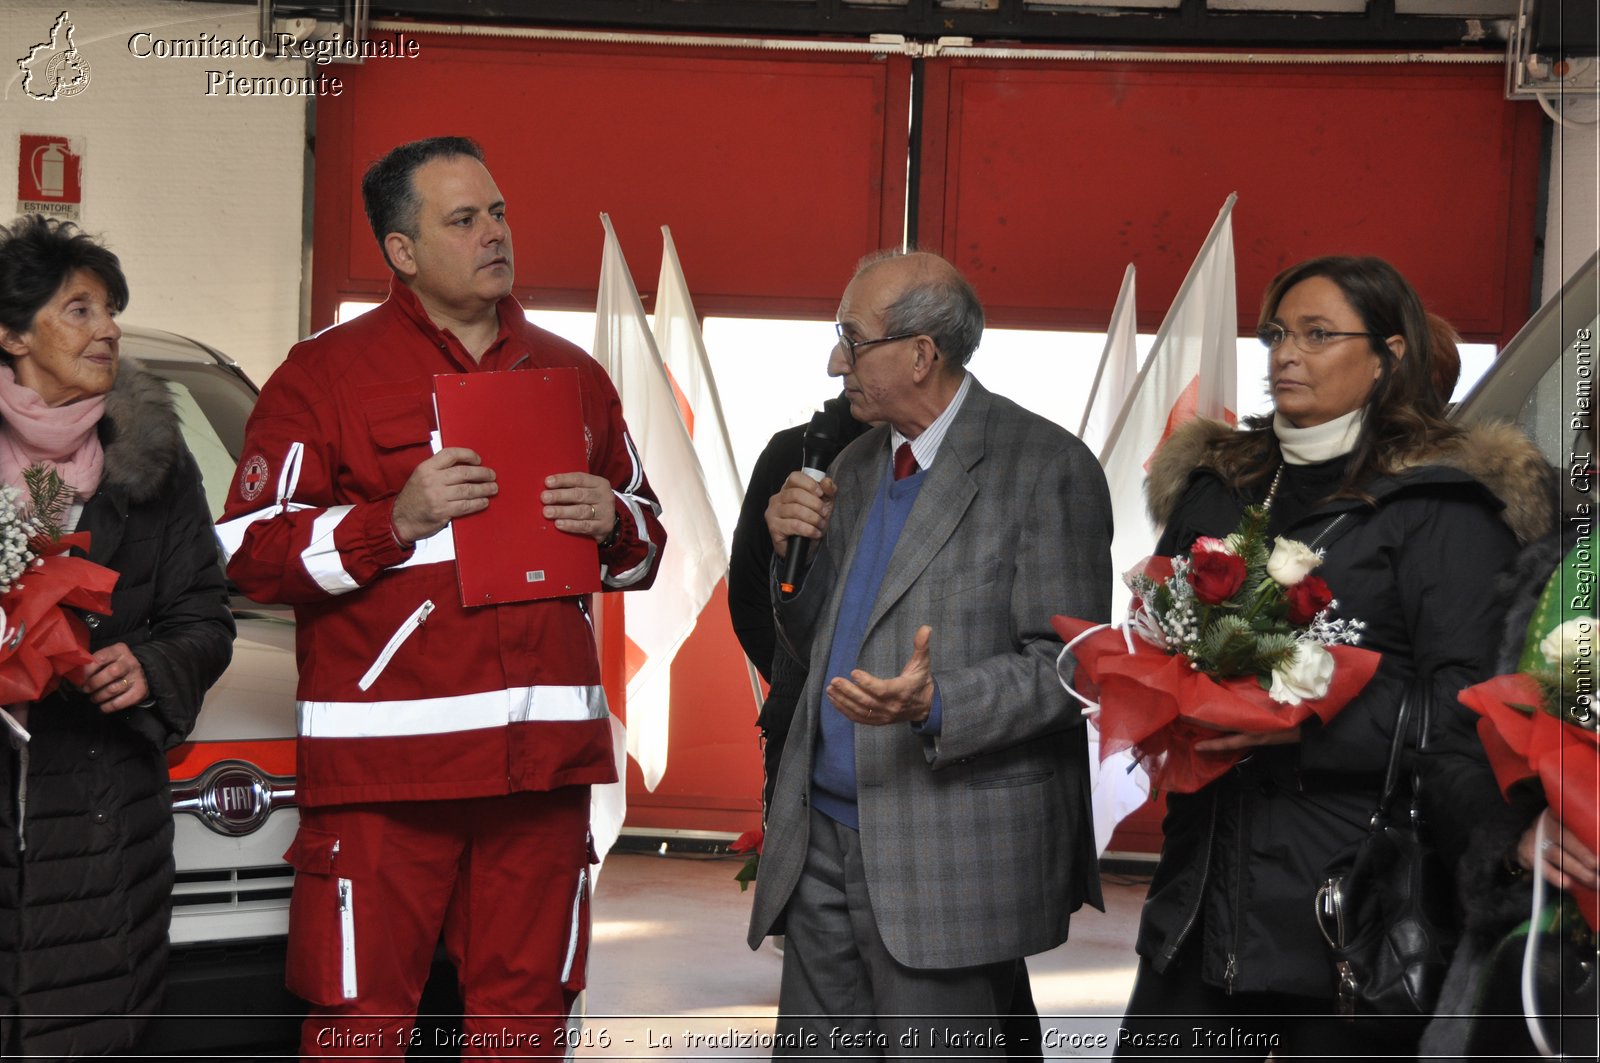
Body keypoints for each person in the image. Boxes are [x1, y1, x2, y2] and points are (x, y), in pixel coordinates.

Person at [217, 137, 665, 1058]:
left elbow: (651, 539)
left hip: (541, 771)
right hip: (389, 779)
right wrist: (394, 519)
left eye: (497, 213)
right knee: (361, 1029)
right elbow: (247, 552)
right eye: (463, 220)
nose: (495, 234)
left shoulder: (571, 372)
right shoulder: (324, 373)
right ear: (402, 251)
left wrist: (613, 520)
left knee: (525, 1024)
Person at [1119, 255, 1553, 1057]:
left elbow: (1471, 709)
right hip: (1196, 899)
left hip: (1349, 915)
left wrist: (1306, 723)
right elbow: (1162, 633)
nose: (1286, 352)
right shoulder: (1215, 489)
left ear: (1389, 355)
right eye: (1278, 332)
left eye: (1319, 335)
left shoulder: (1443, 507)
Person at [749, 249, 1111, 1055]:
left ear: (921, 353)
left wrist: (938, 701)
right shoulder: (854, 464)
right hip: (820, 847)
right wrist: (787, 558)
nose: (835, 359)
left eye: (853, 337)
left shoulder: (1046, 467)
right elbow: (811, 649)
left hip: (945, 852)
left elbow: (1073, 664)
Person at [0, 216, 235, 1057]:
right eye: (79, 308)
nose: (108, 329)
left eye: (112, 310)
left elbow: (204, 614)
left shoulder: (154, 464)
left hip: (103, 832)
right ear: (13, 332)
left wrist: (152, 663)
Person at [728, 392, 868, 816]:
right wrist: (802, 680)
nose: (838, 362)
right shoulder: (793, 451)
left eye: (858, 342)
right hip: (798, 719)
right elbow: (749, 596)